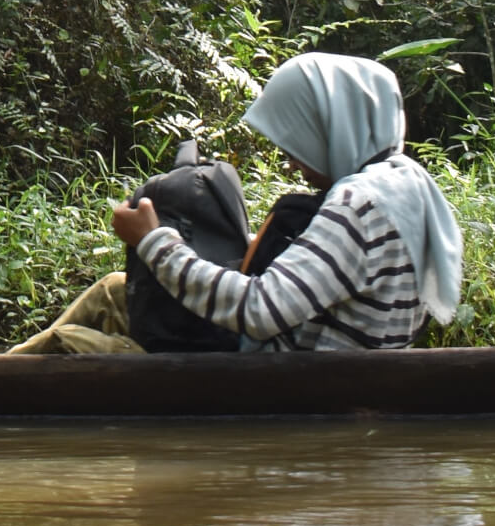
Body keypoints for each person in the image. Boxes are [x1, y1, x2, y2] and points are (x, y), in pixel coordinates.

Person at [109, 52, 462, 351]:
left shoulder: (357, 206)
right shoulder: (404, 183)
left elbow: (260, 310)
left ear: (328, 128)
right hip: (342, 370)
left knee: (69, 341)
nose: (291, 162)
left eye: (297, 143)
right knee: (112, 288)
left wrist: (152, 241)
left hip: (279, 384)